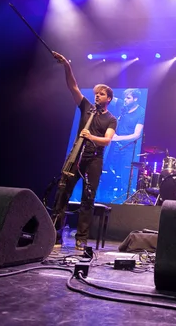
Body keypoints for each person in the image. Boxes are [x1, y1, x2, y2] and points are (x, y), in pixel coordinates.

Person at [50, 51, 117, 250]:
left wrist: (90, 137)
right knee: (63, 193)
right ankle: (55, 235)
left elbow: (106, 141)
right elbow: (73, 86)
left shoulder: (111, 119)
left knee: (88, 197)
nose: (97, 95)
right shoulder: (86, 107)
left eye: (102, 93)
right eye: (96, 93)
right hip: (76, 156)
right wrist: (66, 65)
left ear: (109, 99)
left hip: (94, 159)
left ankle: (81, 238)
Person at [109, 89, 145, 199]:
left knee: (125, 175)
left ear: (135, 99)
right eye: (125, 97)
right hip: (115, 146)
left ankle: (124, 198)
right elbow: (110, 98)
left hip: (129, 148)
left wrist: (118, 138)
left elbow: (137, 135)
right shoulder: (123, 106)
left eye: (128, 98)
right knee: (110, 170)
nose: (125, 100)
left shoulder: (141, 113)